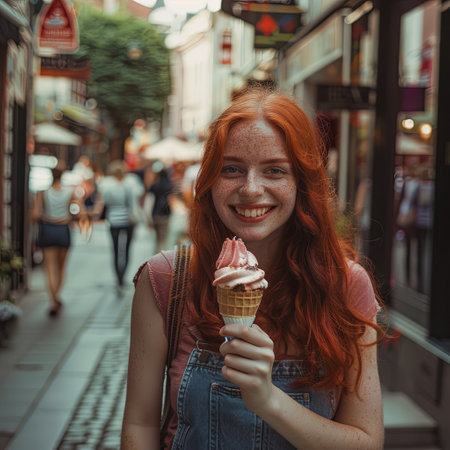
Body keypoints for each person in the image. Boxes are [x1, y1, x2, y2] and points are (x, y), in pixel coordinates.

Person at [121, 89, 385, 449]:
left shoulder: (346, 285)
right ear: (210, 178)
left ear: (302, 183)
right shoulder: (166, 279)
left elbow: (367, 442)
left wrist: (267, 399)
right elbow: (139, 426)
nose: (251, 189)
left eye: (275, 170)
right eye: (232, 169)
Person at [31, 162, 82, 317]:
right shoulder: (70, 192)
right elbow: (79, 212)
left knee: (49, 268)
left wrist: (41, 217)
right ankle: (56, 297)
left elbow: (34, 215)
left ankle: (53, 301)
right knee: (61, 267)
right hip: (63, 229)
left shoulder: (42, 193)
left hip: (47, 229)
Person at [99, 160, 137, 294]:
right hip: (127, 221)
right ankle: (122, 275)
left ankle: (118, 278)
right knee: (126, 250)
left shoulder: (107, 188)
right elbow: (132, 205)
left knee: (115, 250)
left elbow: (106, 203)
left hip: (113, 221)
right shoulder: (128, 186)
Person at [147, 161, 174, 254]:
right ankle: (160, 257)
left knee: (157, 238)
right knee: (163, 238)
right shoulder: (169, 185)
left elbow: (149, 201)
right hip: (165, 214)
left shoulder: (154, 186)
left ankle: (156, 257)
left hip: (155, 213)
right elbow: (171, 201)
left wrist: (147, 216)